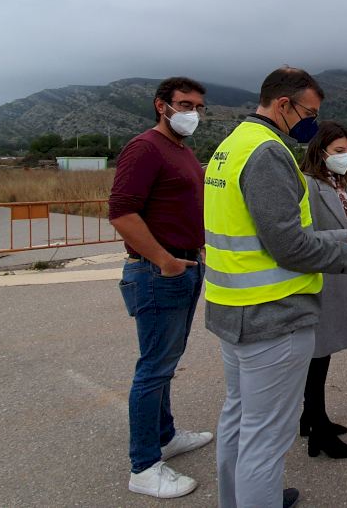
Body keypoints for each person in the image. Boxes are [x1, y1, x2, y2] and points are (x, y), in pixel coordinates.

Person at [204, 67, 347, 508]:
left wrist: (339, 238)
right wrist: (345, 253)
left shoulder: (231, 146)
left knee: (240, 422)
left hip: (233, 307)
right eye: (309, 112)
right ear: (283, 104)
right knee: (266, 439)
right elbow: (287, 244)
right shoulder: (268, 152)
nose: (311, 122)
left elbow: (264, 234)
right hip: (271, 316)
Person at [109, 76, 214, 499]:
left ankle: (165, 436)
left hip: (185, 265)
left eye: (198, 107)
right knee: (152, 369)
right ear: (161, 105)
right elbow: (121, 213)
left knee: (166, 361)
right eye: (185, 104)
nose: (193, 113)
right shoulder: (144, 148)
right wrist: (164, 260)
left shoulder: (182, 152)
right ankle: (144, 466)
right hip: (160, 272)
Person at [299, 121, 347, 459]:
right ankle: (318, 428)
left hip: (339, 272)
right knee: (316, 353)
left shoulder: (341, 182)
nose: (345, 157)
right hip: (320, 276)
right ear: (321, 150)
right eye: (338, 151)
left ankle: (311, 417)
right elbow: (302, 237)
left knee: (322, 353)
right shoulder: (308, 184)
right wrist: (345, 239)